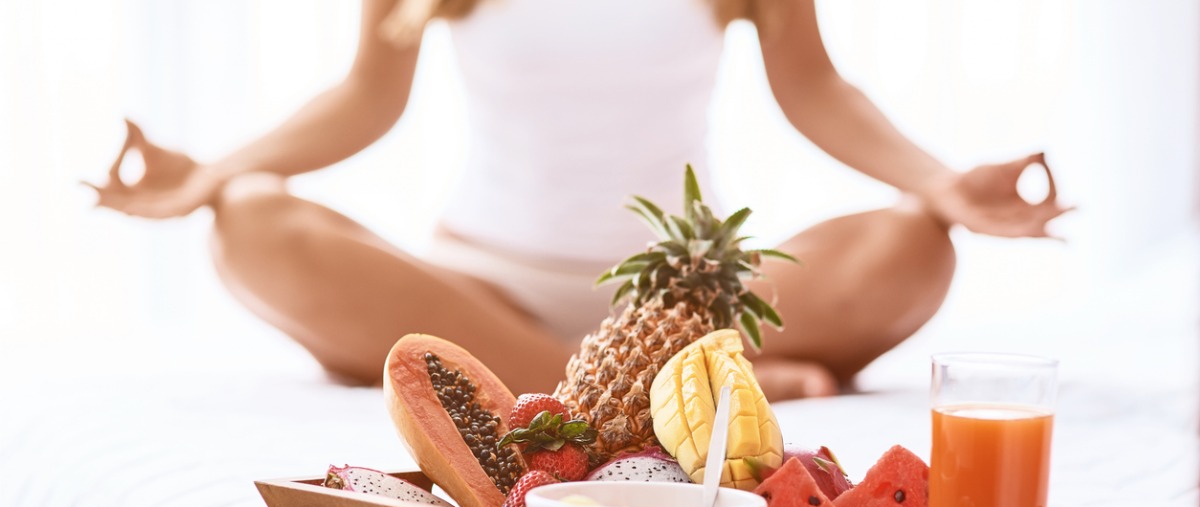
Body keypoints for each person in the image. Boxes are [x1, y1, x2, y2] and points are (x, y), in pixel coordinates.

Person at [84, 0, 1070, 400]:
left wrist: (940, 186)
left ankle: (589, 389)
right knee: (253, 222)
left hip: (688, 301)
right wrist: (212, 178)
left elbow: (815, 88)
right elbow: (363, 99)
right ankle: (658, 395)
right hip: (482, 294)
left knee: (914, 246)